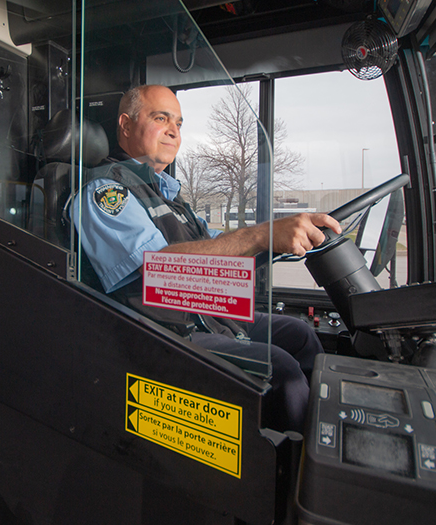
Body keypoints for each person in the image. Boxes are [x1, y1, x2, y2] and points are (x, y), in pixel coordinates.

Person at [72, 85, 342, 431]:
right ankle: (297, 474)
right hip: (162, 334)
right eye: (161, 118)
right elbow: (158, 268)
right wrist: (261, 235)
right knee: (281, 369)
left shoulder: (167, 194)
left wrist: (275, 236)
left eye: (179, 123)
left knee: (299, 334)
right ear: (125, 125)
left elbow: (215, 242)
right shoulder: (104, 192)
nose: (174, 131)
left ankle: (323, 438)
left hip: (205, 314)